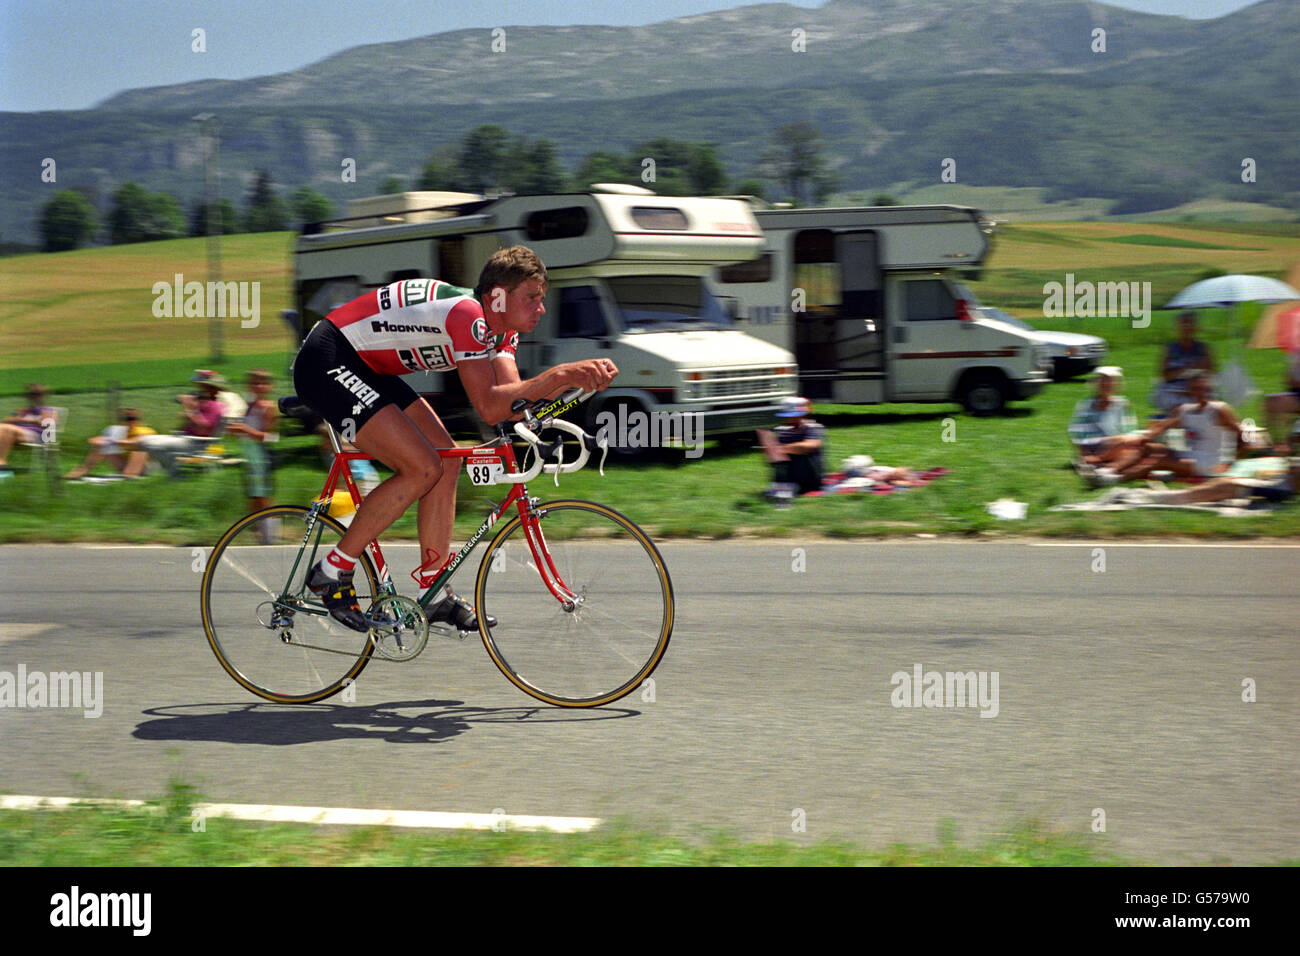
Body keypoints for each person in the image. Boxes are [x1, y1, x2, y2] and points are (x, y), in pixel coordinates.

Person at [291, 245, 617, 632]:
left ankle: (433, 589)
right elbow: (491, 408)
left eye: (541, 299)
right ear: (498, 296)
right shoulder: (469, 317)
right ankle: (332, 570)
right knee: (421, 467)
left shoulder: (502, 331)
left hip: (368, 368)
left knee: (447, 461)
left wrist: (573, 389)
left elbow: (511, 401)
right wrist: (560, 375)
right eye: (532, 298)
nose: (541, 309)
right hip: (327, 359)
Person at [1100, 370, 1243, 483]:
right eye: (1195, 389)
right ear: (1190, 391)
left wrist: (1230, 462)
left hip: (1210, 462)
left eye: (1203, 389)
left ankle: (1112, 480)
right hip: (1190, 455)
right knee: (1146, 447)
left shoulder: (1219, 410)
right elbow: (1164, 425)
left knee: (1158, 461)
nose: (1200, 393)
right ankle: (1107, 471)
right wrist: (1144, 437)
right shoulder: (1187, 409)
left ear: (1209, 389)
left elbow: (1243, 434)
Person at [135, 370, 228, 476]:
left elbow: (203, 428)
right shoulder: (204, 404)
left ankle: (175, 475)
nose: (198, 388)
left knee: (151, 444)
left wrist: (190, 408)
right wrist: (189, 411)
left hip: (199, 444)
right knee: (143, 441)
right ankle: (165, 470)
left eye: (200, 386)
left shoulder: (215, 406)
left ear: (210, 387)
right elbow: (186, 422)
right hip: (188, 439)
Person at [224, 369, 279, 523]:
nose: (258, 386)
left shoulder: (268, 407)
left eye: (262, 383)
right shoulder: (248, 407)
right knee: (253, 496)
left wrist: (245, 430)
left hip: (261, 456)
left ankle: (271, 530)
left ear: (269, 386)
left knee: (263, 495)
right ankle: (257, 531)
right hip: (249, 455)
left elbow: (271, 437)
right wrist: (234, 431)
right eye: (254, 383)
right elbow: (244, 431)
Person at [1067, 366, 1142, 478]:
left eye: (1110, 381)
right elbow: (1076, 433)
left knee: (1139, 444)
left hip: (1118, 445)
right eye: (1102, 380)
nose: (1106, 384)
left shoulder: (1123, 403)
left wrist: (1123, 441)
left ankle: (1105, 468)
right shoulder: (1086, 405)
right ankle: (1098, 461)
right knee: (1127, 443)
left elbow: (1131, 430)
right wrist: (1084, 454)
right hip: (1094, 445)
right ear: (1096, 384)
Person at [756, 396, 825, 498]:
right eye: (788, 416)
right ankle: (783, 486)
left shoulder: (813, 428)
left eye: (794, 416)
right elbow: (770, 456)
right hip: (787, 476)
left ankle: (796, 488)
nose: (790, 419)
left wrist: (781, 449)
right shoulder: (781, 430)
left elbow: (811, 445)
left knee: (801, 454)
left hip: (810, 477)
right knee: (779, 458)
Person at [63, 407, 155, 480]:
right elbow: (100, 440)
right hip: (124, 464)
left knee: (140, 449)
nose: (130, 422)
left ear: (139, 420)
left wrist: (114, 441)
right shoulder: (117, 430)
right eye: (127, 419)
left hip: (144, 466)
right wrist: (97, 441)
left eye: (133, 419)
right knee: (101, 447)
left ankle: (131, 473)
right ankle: (81, 471)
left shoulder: (145, 431)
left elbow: (136, 441)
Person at [1153, 311, 1214, 415]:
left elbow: (1209, 372)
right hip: (1173, 393)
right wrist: (1186, 370)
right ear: (1177, 328)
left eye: (1190, 324)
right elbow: (1165, 376)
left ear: (1196, 328)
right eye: (1183, 324)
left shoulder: (1203, 348)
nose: (1187, 328)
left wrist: (1193, 381)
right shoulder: (1169, 348)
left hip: (1197, 392)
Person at [0, 383, 57, 479]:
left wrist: (24, 420)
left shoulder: (48, 410)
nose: (33, 397)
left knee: (6, 428)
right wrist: (23, 419)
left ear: (43, 396)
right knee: (3, 428)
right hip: (18, 435)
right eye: (31, 394)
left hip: (37, 437)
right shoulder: (23, 411)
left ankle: (2, 466)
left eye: (37, 394)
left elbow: (49, 424)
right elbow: (7, 420)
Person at [1263, 349, 1300, 452]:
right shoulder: (1296, 355)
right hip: (1295, 395)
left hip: (1296, 396)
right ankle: (1276, 442)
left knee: (1279, 404)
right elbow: (1288, 381)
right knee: (1268, 401)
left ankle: (1284, 443)